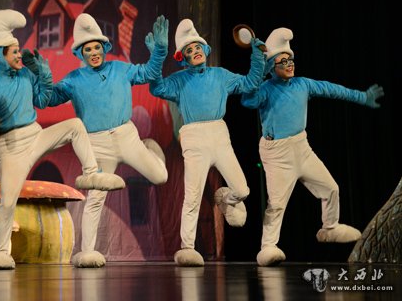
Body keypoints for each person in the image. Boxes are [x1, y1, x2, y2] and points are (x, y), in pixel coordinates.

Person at [0, 9, 125, 270]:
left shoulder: (25, 74)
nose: (20, 55)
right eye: (14, 52)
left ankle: (91, 172)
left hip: (35, 134)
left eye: (19, 50)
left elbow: (43, 101)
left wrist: (43, 75)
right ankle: (1, 252)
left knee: (75, 126)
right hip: (11, 147)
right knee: (8, 203)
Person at [240, 27, 385, 266]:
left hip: (302, 148)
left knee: (331, 188)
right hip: (277, 154)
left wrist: (362, 97)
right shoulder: (265, 89)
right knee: (276, 204)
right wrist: (260, 67)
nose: (289, 64)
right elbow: (247, 100)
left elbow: (332, 89)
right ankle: (268, 246)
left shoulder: (303, 84)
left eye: (290, 59)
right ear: (272, 67)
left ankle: (330, 227)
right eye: (283, 61)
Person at [48, 13, 169, 268]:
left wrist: (159, 51)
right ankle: (87, 251)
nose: (94, 53)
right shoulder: (73, 79)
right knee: (95, 198)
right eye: (88, 49)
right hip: (98, 144)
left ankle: (150, 148)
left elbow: (149, 72)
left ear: (104, 48)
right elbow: (48, 99)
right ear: (80, 53)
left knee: (160, 177)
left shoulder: (120, 68)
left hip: (127, 137)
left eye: (97, 47)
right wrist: (41, 77)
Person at [149, 18, 266, 266]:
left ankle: (224, 199)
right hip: (194, 139)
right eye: (189, 50)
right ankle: (187, 247)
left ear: (204, 49)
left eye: (197, 47)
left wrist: (257, 56)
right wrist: (158, 54)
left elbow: (250, 83)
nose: (195, 51)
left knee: (242, 190)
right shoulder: (179, 80)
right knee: (192, 197)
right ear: (183, 57)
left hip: (219, 136)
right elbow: (156, 88)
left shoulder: (220, 75)